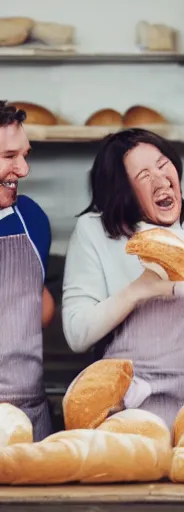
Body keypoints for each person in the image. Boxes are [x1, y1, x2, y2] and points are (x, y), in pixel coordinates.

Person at [61, 129, 184, 428]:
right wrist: (138, 290)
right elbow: (77, 335)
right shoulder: (93, 231)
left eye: (162, 164)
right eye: (143, 175)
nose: (161, 179)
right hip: (126, 405)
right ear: (123, 190)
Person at [0, 101, 55, 440]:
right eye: (9, 157)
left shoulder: (32, 218)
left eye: (25, 154)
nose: (23, 169)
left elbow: (41, 308)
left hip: (28, 415)